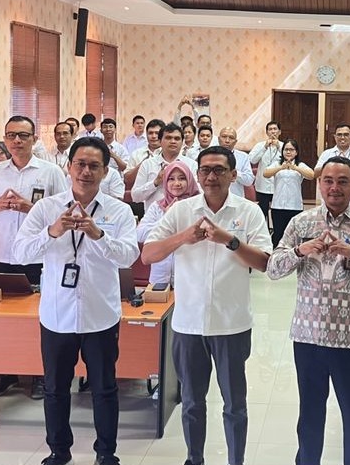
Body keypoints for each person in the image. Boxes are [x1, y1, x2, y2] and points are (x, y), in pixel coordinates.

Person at [141, 146, 272, 465]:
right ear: (197, 175)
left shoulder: (249, 212)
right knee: (191, 402)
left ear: (232, 175)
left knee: (235, 405)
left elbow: (265, 262)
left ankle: (236, 461)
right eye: (205, 170)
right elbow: (148, 254)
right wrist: (183, 237)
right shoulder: (181, 211)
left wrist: (230, 240)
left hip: (232, 324)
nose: (211, 176)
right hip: (188, 324)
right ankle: (194, 459)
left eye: (219, 170)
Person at [13, 137, 139, 465]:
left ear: (105, 171)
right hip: (57, 315)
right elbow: (20, 252)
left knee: (104, 388)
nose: (86, 171)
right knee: (55, 389)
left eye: (94, 166)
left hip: (101, 314)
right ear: (68, 167)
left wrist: (99, 235)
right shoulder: (46, 209)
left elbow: (129, 256)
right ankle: (59, 451)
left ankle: (106, 453)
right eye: (80, 164)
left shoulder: (119, 211)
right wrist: (52, 232)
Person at [267, 156, 350, 465]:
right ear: (319, 183)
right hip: (308, 335)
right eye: (328, 180)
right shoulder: (302, 223)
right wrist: (300, 250)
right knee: (310, 415)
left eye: (342, 181)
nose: (334, 187)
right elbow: (273, 269)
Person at [0, 115, 68, 400]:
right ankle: (5, 374)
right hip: (3, 253)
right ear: (4, 139)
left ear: (34, 139)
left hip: (39, 256)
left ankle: (39, 375)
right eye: (11, 135)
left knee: (39, 318)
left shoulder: (50, 172)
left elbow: (65, 212)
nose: (17, 140)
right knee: (2, 318)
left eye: (23, 135)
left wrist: (32, 208)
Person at [135, 161, 200, 285]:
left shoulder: (198, 206)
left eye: (182, 178)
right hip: (159, 278)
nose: (176, 183)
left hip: (190, 279)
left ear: (190, 180)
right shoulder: (157, 206)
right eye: (171, 179)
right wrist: (166, 218)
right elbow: (140, 234)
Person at [131, 123, 197, 212]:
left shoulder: (191, 165)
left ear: (182, 142)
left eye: (177, 138)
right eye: (168, 138)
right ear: (160, 141)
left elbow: (198, 194)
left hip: (183, 215)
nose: (173, 141)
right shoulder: (147, 164)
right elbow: (135, 197)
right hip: (154, 217)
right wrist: (155, 183)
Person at [263, 139, 314, 246]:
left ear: (296, 152)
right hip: (278, 206)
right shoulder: (277, 164)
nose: (288, 152)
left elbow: (311, 175)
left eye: (291, 149)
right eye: (286, 149)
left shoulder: (300, 165)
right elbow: (266, 173)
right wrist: (281, 167)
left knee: (294, 236)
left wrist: (295, 168)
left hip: (295, 206)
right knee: (278, 234)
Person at [315, 124, 350, 207]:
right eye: (339, 135)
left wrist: (348, 164)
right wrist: (331, 165)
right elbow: (316, 173)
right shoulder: (326, 154)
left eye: (346, 135)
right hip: (329, 202)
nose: (342, 137)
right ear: (335, 137)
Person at [248, 121, 283, 224]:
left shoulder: (284, 146)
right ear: (267, 132)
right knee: (262, 211)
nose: (273, 132)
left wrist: (279, 147)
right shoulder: (260, 145)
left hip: (279, 185)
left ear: (279, 132)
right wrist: (264, 148)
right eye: (270, 129)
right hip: (262, 185)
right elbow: (252, 160)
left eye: (275, 129)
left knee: (277, 212)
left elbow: (289, 159)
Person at [217, 127, 255, 197]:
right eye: (224, 137)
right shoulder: (210, 155)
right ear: (219, 139)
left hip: (236, 198)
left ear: (235, 141)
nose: (227, 141)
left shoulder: (243, 157)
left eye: (231, 138)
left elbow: (249, 181)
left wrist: (234, 173)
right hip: (215, 198)